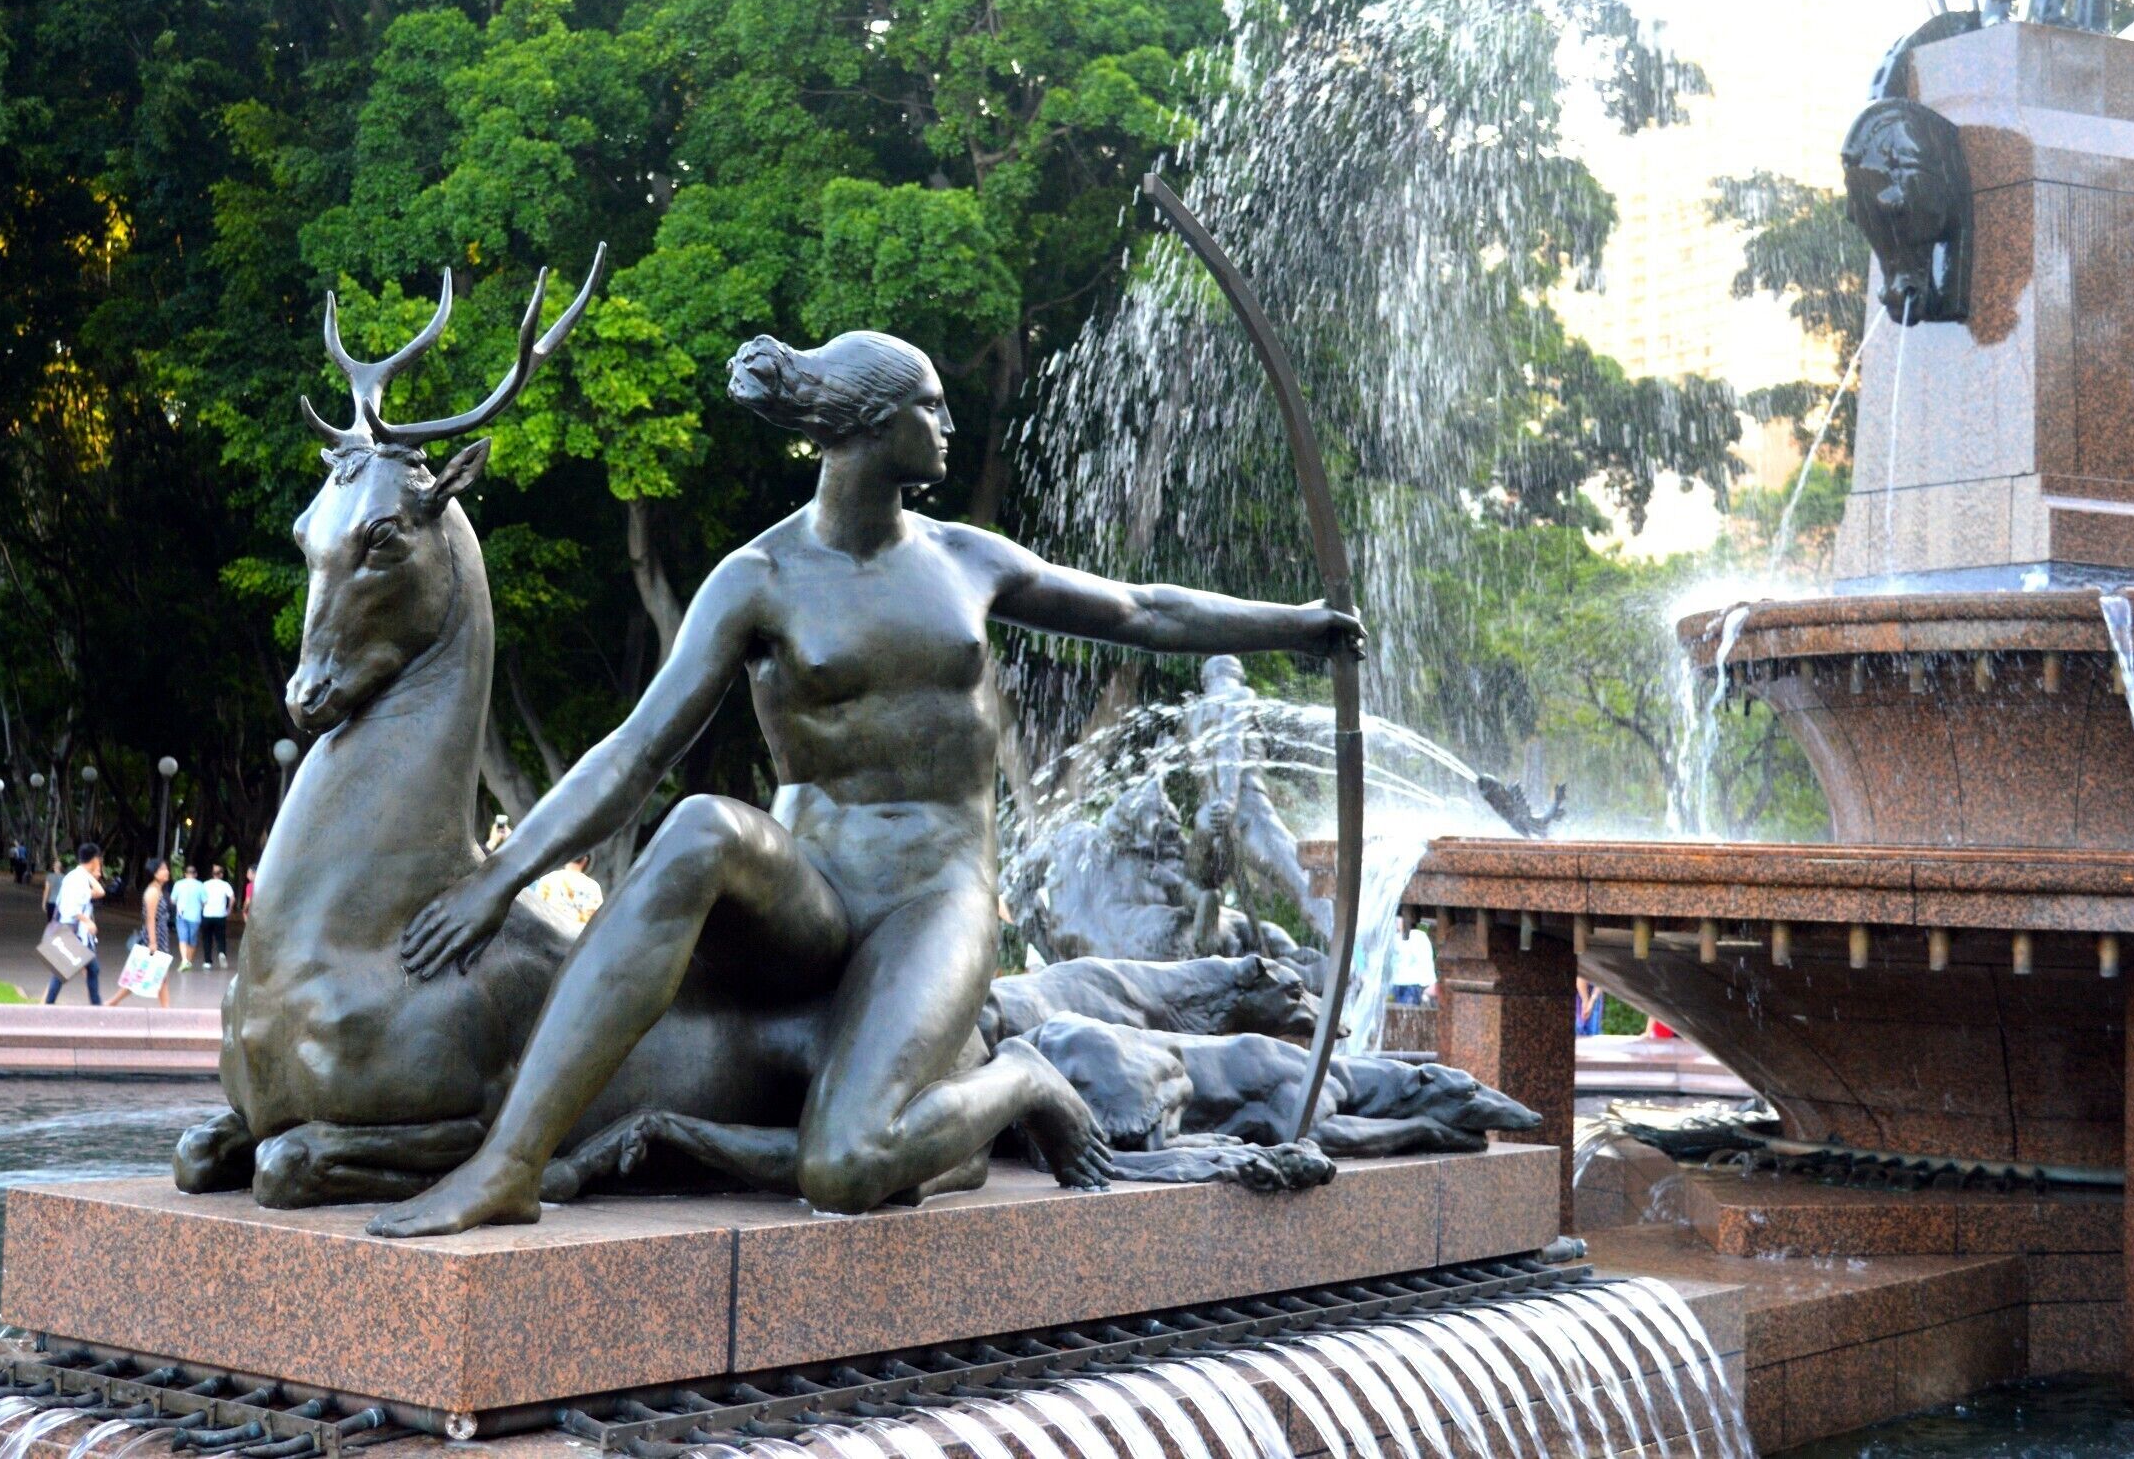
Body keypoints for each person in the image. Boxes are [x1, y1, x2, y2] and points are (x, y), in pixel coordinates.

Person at [365, 328, 1361, 1236]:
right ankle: (506, 1163)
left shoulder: (968, 560)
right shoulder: (758, 576)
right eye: (930, 405)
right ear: (870, 425)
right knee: (705, 823)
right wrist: (501, 878)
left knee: (842, 1164)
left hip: (933, 896)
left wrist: (1297, 624)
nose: (949, 422)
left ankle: (1019, 1078)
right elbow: (635, 752)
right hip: (811, 891)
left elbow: (1144, 611)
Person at [45, 843, 106, 1006]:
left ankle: (96, 1006)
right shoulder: (76, 879)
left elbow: (100, 892)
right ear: (93, 860)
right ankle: (48, 1007)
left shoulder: (78, 877)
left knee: (92, 969)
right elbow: (69, 907)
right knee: (61, 972)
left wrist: (88, 873)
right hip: (73, 932)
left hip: (78, 934)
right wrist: (87, 921)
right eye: (98, 861)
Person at [108, 859, 174, 1008]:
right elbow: (150, 918)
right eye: (163, 869)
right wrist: (152, 941)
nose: (167, 872)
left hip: (159, 935)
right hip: (154, 936)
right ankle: (166, 1010)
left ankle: (113, 1002)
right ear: (155, 874)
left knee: (153, 973)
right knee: (156, 973)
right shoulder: (152, 892)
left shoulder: (158, 890)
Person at [525, 854, 603, 925]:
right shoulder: (593, 887)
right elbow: (595, 917)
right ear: (585, 860)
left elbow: (536, 906)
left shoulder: (549, 878)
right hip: (575, 936)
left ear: (566, 858)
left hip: (548, 929)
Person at [1387, 924, 1436, 1007]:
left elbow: (1425, 961)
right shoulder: (1389, 936)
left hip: (1412, 984)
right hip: (1392, 983)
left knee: (1407, 1010)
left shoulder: (1418, 936)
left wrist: (1431, 983)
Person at [199, 863, 235, 969]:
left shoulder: (205, 884)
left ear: (212, 874)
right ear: (221, 875)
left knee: (207, 938)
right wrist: (229, 909)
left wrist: (203, 906)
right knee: (221, 937)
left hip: (207, 914)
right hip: (220, 915)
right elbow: (232, 898)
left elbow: (202, 899)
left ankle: (207, 962)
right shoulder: (225, 885)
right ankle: (221, 952)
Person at [170, 863, 205, 972]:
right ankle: (188, 961)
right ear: (195, 874)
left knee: (182, 938)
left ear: (185, 874)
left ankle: (184, 960)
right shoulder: (200, 885)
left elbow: (172, 900)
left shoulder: (178, 884)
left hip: (181, 915)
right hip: (195, 916)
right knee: (192, 939)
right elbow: (205, 901)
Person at [41, 857, 65, 924]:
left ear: (53, 867)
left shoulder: (49, 876)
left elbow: (46, 890)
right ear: (61, 867)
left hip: (51, 902)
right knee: (59, 922)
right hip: (61, 903)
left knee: (51, 922)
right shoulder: (65, 877)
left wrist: (43, 903)